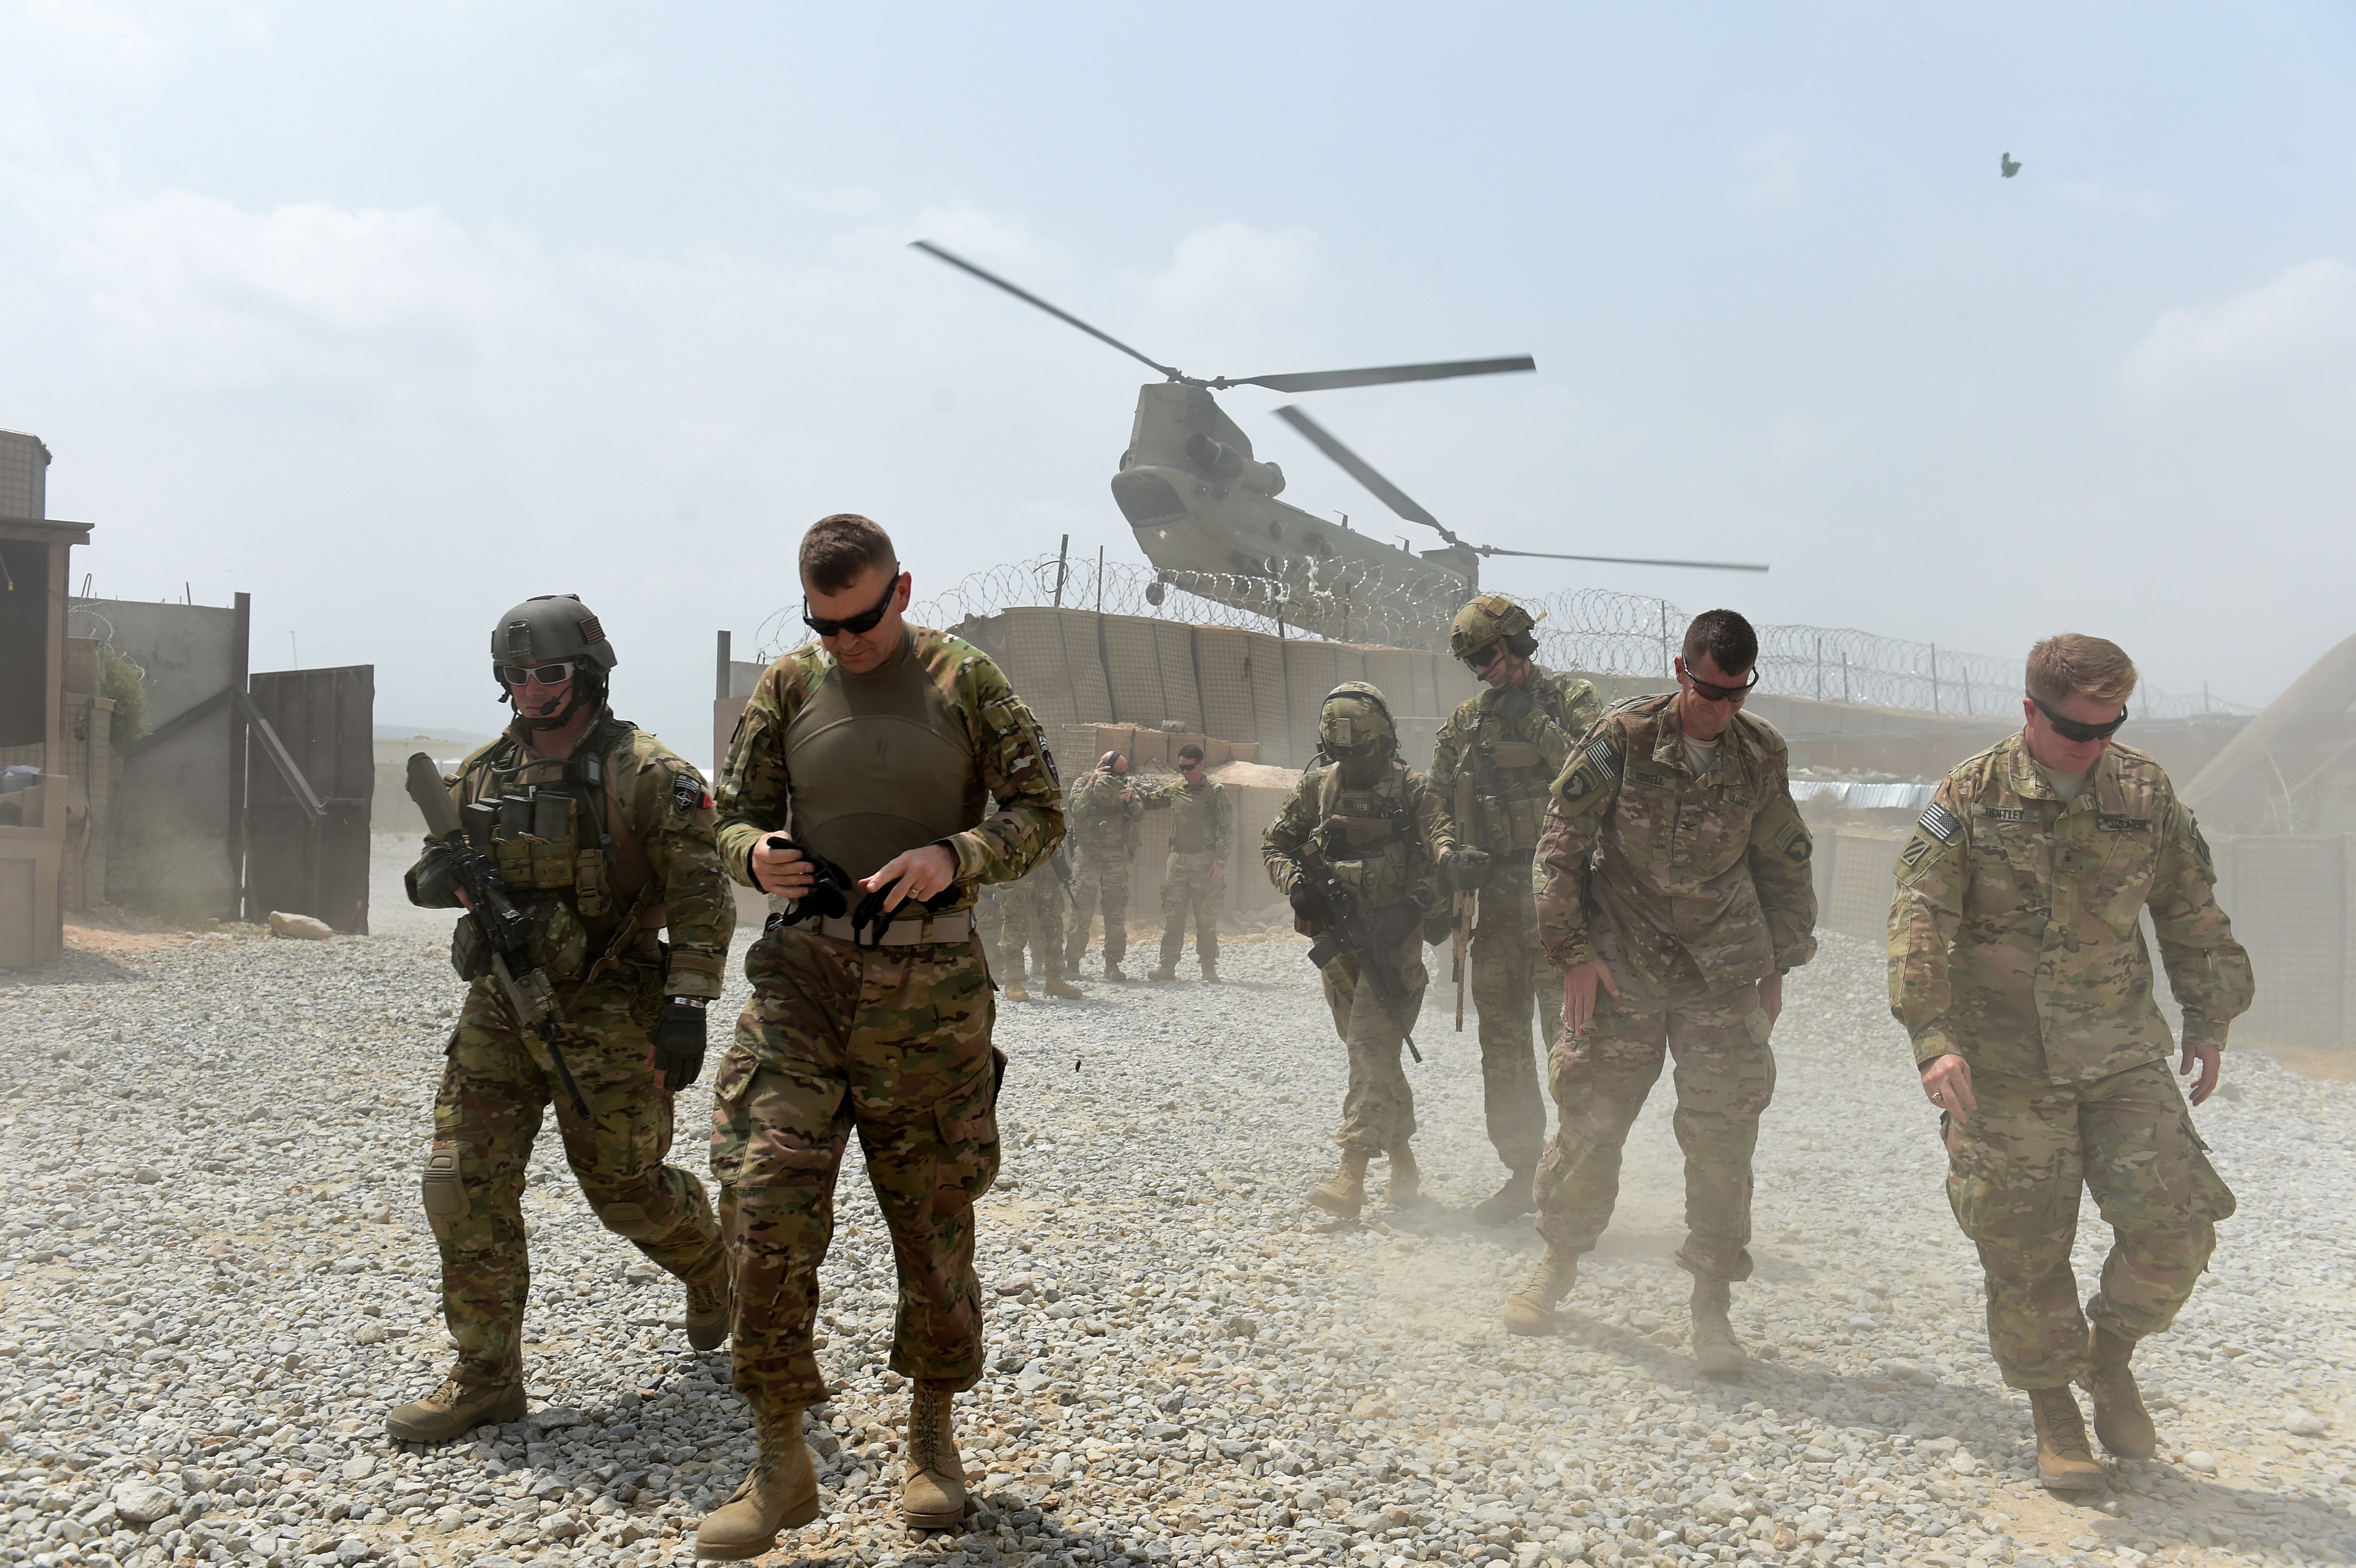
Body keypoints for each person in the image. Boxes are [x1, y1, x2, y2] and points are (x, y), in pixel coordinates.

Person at [700, 513, 1063, 1558]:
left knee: (934, 1219)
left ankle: (933, 1437)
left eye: (859, 621)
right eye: (824, 623)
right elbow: (729, 813)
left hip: (929, 990)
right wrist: (749, 851)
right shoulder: (788, 684)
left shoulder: (966, 680)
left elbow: (1041, 810)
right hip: (802, 980)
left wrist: (958, 853)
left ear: (900, 591)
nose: (843, 642)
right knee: (762, 1201)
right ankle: (780, 1458)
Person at [1889, 633, 2251, 1489]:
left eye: (2108, 726)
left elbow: (2189, 907)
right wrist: (1931, 1040)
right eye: (2072, 730)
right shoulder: (1968, 795)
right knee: (2022, 1248)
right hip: (2003, 1065)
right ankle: (2053, 1407)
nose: (2091, 747)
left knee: (2176, 1227)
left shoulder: (2143, 789)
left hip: (2120, 1051)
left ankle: (2109, 1354)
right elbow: (1916, 918)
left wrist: (2208, 1015)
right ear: (2030, 711)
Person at [390, 596, 734, 1444]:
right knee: (460, 1181)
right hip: (501, 1005)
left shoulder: (648, 774)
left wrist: (687, 1004)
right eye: (515, 675)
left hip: (612, 1004)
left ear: (587, 673)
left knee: (623, 1187)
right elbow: (425, 875)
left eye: (547, 673)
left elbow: (701, 891)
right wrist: (446, 881)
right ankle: (485, 1377)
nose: (530, 689)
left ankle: (715, 1263)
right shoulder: (480, 775)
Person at [1505, 610, 1816, 1377]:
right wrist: (1573, 954)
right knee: (1591, 1119)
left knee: (1723, 1140)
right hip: (1625, 961)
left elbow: (1785, 863)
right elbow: (1558, 851)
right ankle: (1558, 1262)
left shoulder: (1761, 752)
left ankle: (1712, 1305)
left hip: (1722, 971)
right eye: (1710, 691)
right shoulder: (1623, 739)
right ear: (1682, 672)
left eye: (1737, 694)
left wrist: (1779, 963)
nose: (1722, 708)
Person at [1264, 683, 1483, 1220]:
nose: (1351, 761)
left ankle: (1351, 1173)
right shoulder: (1318, 785)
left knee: (1367, 1046)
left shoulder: (1414, 790)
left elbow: (1440, 845)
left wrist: (1416, 905)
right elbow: (1275, 841)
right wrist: (1295, 882)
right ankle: (1403, 1158)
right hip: (1335, 944)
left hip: (1394, 946)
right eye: (1339, 752)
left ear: (1383, 740)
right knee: (1371, 1055)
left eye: (1361, 750)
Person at [1429, 594, 1604, 1226]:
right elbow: (1433, 797)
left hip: (1561, 907)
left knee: (1574, 1047)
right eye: (1473, 664)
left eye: (1491, 656)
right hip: (1497, 912)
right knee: (1502, 1048)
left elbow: (1596, 775)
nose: (1484, 672)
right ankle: (1521, 1171)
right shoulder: (1466, 723)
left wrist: (1531, 722)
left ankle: (1578, 1178)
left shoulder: (1574, 701)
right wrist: (1449, 849)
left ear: (1522, 644)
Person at [1149, 743, 1233, 982]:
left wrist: (1220, 862)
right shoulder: (1177, 790)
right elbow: (1151, 800)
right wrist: (1127, 794)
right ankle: (1167, 967)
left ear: (1202, 765)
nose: (1186, 772)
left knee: (1205, 918)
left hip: (1205, 861)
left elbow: (1227, 830)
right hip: (1178, 861)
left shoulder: (1216, 792)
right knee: (1173, 916)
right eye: (1182, 768)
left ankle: (1208, 968)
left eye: (1190, 767)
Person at [1064, 751, 1148, 979]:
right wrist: (1092, 785)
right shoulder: (1083, 782)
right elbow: (1076, 811)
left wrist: (1130, 798)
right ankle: (1072, 964)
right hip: (1088, 856)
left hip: (1115, 857)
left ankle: (1113, 964)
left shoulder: (1126, 785)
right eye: (1119, 774)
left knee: (1115, 912)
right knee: (1082, 911)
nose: (1123, 777)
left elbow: (1140, 813)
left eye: (1125, 773)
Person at [982, 855, 1080, 1000]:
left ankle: (1054, 979)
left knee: (1053, 922)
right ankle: (1013, 981)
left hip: (1046, 862)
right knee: (1016, 922)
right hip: (1019, 862)